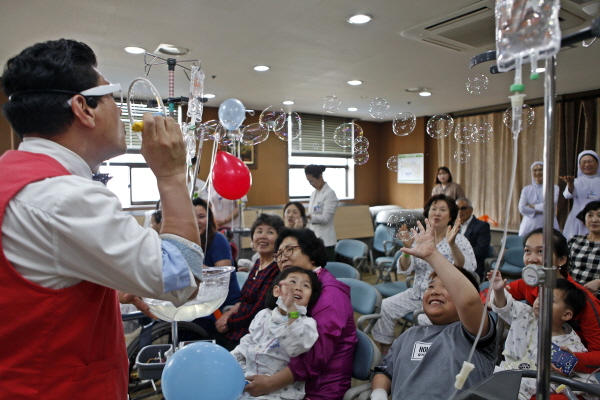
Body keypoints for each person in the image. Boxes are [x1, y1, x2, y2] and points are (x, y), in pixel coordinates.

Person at [0, 39, 203, 398]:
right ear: (84, 108)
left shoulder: (13, 177)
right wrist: (172, 175)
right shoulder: (64, 196)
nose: (120, 111)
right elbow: (182, 276)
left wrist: (106, 283)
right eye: (112, 96)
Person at [369, 219, 496, 400]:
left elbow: (469, 302)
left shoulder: (473, 335)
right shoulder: (408, 335)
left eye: (446, 287)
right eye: (431, 287)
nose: (435, 291)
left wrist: (432, 255)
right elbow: (384, 370)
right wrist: (379, 394)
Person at [244, 228, 357, 400]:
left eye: (289, 250)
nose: (283, 258)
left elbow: (315, 356)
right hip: (289, 381)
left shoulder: (331, 294)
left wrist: (270, 383)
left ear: (311, 254)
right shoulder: (293, 288)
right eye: (279, 254)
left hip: (317, 389)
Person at [372, 194, 477, 354]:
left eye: (443, 209)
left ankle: (422, 357)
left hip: (443, 298)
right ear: (428, 213)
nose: (437, 213)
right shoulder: (420, 239)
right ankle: (386, 354)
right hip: (417, 294)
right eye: (434, 209)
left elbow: (466, 267)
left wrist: (452, 245)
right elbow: (405, 269)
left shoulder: (460, 240)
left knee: (422, 320)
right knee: (385, 306)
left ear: (451, 216)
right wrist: (407, 249)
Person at [502, 228, 600, 375]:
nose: (532, 259)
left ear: (561, 260)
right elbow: (490, 294)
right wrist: (493, 297)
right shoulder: (529, 284)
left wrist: (571, 359)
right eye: (527, 251)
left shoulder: (584, 301)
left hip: (569, 373)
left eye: (541, 252)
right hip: (531, 360)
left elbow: (598, 353)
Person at [490, 272, 597, 400]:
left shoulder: (571, 345)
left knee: (517, 386)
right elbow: (504, 306)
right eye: (540, 296)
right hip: (507, 370)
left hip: (537, 382)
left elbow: (587, 384)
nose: (540, 301)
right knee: (483, 373)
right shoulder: (524, 314)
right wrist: (498, 291)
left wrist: (567, 370)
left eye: (549, 300)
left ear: (566, 315)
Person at [232, 267, 322, 400]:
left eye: (305, 286)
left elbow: (296, 346)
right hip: (249, 381)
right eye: (292, 282)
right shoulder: (264, 315)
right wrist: (231, 359)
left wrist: (291, 308)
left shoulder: (307, 324)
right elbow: (249, 342)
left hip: (278, 392)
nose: (298, 288)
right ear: (276, 291)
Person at [214, 214, 284, 350]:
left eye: (270, 232)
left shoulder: (276, 269)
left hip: (253, 334)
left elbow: (257, 311)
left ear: (279, 240)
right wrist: (229, 313)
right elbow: (243, 299)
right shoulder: (258, 263)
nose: (263, 236)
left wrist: (228, 322)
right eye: (259, 231)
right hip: (239, 326)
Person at [190, 197, 240, 334]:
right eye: (192, 217)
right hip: (200, 301)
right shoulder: (187, 242)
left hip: (222, 304)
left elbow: (222, 277)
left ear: (209, 218)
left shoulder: (218, 240)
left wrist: (191, 263)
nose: (197, 221)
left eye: (201, 216)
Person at [561, 150, 600, 239]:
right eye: (584, 162)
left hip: (597, 218)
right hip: (577, 218)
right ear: (579, 165)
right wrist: (570, 184)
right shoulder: (576, 181)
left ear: (597, 163)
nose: (587, 164)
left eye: (590, 161)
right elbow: (567, 195)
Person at [305, 165, 339, 261]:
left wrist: (309, 216)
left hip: (326, 242)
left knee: (327, 268)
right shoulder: (314, 193)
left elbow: (325, 218)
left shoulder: (330, 194)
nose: (311, 184)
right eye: (309, 181)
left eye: (312, 181)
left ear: (320, 176)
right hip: (314, 239)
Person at [518, 161, 560, 237]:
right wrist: (542, 210)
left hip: (548, 224)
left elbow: (551, 206)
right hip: (528, 226)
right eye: (535, 170)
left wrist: (532, 206)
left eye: (541, 169)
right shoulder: (526, 189)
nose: (538, 172)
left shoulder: (554, 188)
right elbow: (521, 208)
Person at [457, 197, 491, 279]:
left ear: (471, 210)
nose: (460, 211)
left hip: (473, 265)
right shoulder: (452, 225)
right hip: (453, 264)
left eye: (463, 208)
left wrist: (457, 251)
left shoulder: (482, 226)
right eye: (457, 209)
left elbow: (481, 251)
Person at [568, 201, 600, 288]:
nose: (594, 220)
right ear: (583, 220)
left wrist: (598, 282)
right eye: (590, 215)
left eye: (599, 216)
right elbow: (564, 267)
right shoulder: (574, 240)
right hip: (572, 290)